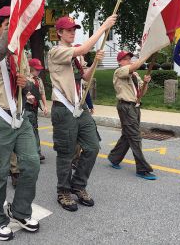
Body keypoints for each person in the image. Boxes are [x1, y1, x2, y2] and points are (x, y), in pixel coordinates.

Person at [0, 6, 40, 241]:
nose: (9, 24)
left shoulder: (21, 52)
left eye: (12, 22)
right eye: (4, 22)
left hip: (19, 116)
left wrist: (25, 83)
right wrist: (13, 27)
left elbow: (23, 82)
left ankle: (20, 210)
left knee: (32, 164)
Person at [48, 14, 117, 212]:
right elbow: (85, 48)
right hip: (64, 109)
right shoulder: (56, 51)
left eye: (74, 29)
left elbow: (85, 78)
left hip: (81, 107)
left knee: (93, 147)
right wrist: (104, 27)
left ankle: (78, 185)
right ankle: (63, 191)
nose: (72, 32)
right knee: (66, 153)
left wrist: (95, 62)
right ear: (59, 33)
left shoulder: (76, 54)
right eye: (68, 30)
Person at [107, 51, 157, 180]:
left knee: (127, 134)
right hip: (125, 106)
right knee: (135, 136)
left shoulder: (134, 75)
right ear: (119, 62)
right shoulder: (119, 72)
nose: (129, 60)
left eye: (130, 58)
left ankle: (114, 157)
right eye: (125, 59)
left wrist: (145, 83)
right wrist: (146, 55)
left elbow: (142, 92)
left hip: (135, 106)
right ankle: (142, 169)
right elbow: (132, 67)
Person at [26, 58, 48, 161]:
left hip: (34, 107)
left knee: (34, 129)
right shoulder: (26, 79)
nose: (38, 71)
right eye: (36, 69)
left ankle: (35, 152)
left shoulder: (39, 80)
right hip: (26, 108)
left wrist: (45, 106)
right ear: (30, 68)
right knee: (31, 130)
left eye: (39, 69)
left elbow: (42, 93)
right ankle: (36, 152)